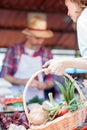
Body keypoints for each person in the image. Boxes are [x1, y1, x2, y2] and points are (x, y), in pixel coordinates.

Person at [0, 15, 55, 101]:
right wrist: (25, 82)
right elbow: (4, 75)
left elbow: (51, 79)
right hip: (15, 99)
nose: (40, 41)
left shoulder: (47, 53)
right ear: (27, 36)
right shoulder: (14, 50)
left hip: (38, 100)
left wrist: (44, 85)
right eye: (37, 38)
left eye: (42, 38)